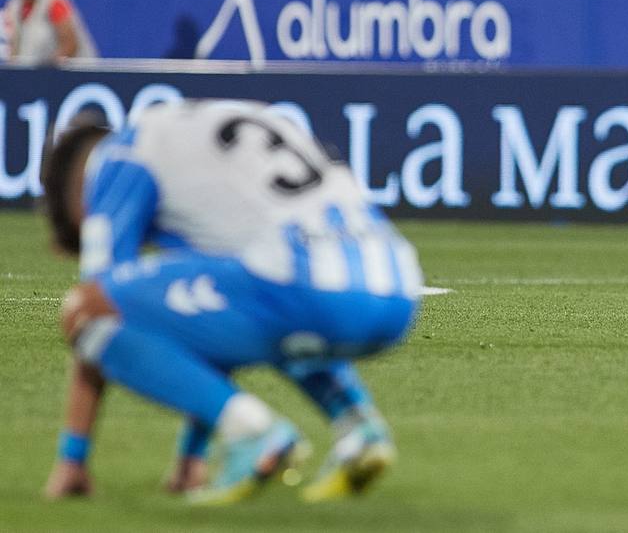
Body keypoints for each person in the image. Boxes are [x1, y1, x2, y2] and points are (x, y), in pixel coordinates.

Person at [39, 100, 422, 503]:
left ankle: (255, 434)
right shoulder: (200, 134)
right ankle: (358, 427)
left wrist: (73, 457)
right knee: (237, 294)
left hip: (307, 289)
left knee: (86, 310)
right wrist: (191, 457)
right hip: (397, 290)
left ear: (77, 193)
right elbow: (203, 324)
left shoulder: (119, 156)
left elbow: (98, 301)